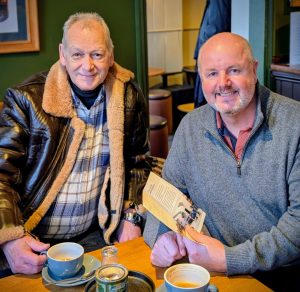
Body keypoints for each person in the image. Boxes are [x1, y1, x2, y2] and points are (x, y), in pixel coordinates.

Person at [0, 12, 153, 277]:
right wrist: (11, 238)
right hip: (34, 240)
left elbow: (138, 163)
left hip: (97, 235)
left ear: (111, 55)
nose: (88, 66)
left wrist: (131, 216)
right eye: (77, 54)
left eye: (97, 54)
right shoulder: (25, 99)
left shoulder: (128, 95)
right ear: (62, 54)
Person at [144, 32, 300, 291]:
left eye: (234, 70)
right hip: (210, 275)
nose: (223, 83)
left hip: (281, 276)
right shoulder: (191, 127)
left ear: (254, 69)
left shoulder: (294, 124)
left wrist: (231, 259)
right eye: (212, 74)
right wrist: (162, 238)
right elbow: (166, 196)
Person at [193, 0, 231, 108]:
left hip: (212, 56)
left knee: (207, 101)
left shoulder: (218, 2)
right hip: (208, 55)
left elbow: (215, 29)